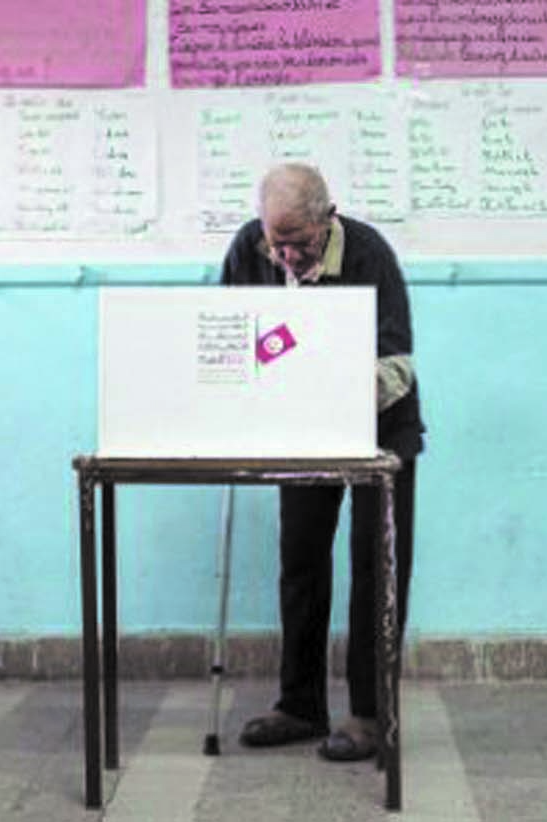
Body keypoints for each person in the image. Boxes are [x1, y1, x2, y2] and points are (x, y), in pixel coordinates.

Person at [221, 162, 423, 762]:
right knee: (301, 563)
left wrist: (327, 390)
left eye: (300, 244)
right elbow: (224, 333)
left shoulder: (368, 253)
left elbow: (397, 364)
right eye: (276, 245)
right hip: (302, 431)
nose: (287, 257)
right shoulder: (249, 249)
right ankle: (301, 706)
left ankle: (371, 716)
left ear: (327, 219)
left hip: (381, 431)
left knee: (375, 569)